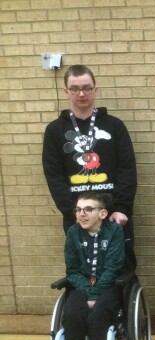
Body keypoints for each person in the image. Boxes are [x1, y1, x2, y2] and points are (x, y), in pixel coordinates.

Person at [42, 64, 137, 272]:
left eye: (86, 88)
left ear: (95, 89)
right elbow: (54, 175)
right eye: (75, 88)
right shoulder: (55, 130)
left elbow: (127, 169)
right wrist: (73, 212)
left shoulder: (114, 126)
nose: (81, 94)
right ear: (66, 91)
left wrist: (121, 208)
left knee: (121, 269)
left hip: (113, 215)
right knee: (83, 270)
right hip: (78, 217)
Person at [63, 192, 124, 340]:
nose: (82, 214)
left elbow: (113, 268)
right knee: (72, 314)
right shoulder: (73, 233)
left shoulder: (114, 231)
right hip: (82, 284)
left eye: (88, 209)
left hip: (108, 285)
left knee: (98, 315)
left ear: (103, 213)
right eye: (78, 209)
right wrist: (88, 293)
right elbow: (72, 270)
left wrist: (96, 293)